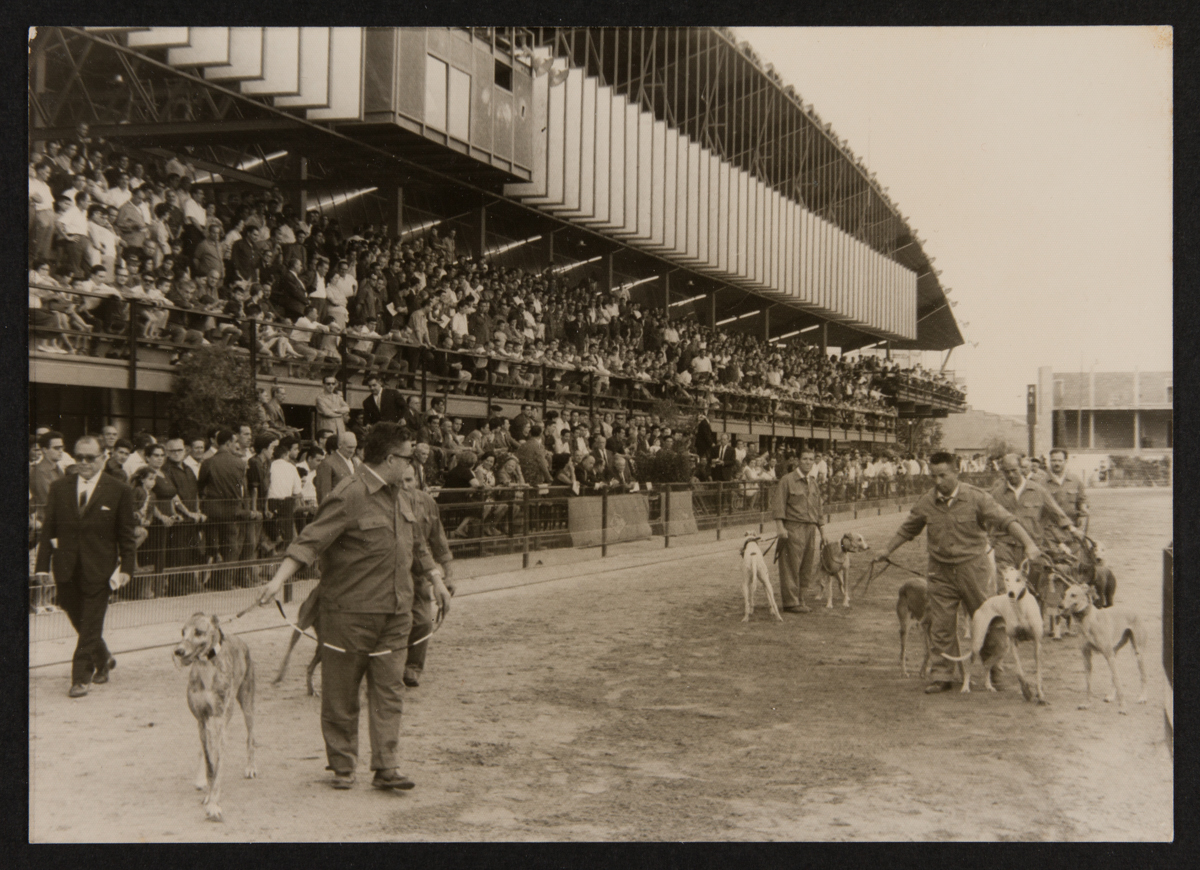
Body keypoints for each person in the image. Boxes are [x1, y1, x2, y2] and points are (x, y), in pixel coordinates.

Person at [257, 424, 450, 791]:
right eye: (408, 457)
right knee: (341, 693)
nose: (411, 465)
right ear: (390, 459)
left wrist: (437, 580)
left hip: (396, 612)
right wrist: (278, 580)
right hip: (349, 614)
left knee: (389, 691)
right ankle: (343, 765)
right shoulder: (349, 494)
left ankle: (386, 766)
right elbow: (310, 541)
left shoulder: (402, 495)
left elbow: (417, 545)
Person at [872, 452, 1043, 694]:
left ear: (956, 472)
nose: (938, 481)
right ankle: (942, 675)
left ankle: (994, 671)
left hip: (974, 570)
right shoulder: (927, 501)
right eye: (933, 476)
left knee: (990, 620)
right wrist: (886, 550)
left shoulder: (977, 497)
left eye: (943, 475)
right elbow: (908, 529)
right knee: (940, 624)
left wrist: (1029, 544)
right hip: (940, 571)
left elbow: (1007, 521)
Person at [34, 436, 137, 697]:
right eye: (79, 456)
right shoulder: (60, 487)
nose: (83, 462)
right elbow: (48, 530)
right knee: (76, 616)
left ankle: (81, 677)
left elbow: (126, 534)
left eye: (90, 458)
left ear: (103, 457)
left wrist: (127, 567)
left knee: (91, 621)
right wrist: (42, 567)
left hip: (100, 569)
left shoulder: (118, 490)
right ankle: (103, 657)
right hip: (66, 567)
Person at [990, 453, 1081, 639]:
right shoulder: (997, 494)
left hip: (1031, 548)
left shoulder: (1038, 491)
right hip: (1005, 546)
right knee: (1005, 587)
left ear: (1022, 468)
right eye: (1006, 471)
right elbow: (986, 518)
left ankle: (1032, 626)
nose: (1011, 475)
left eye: (1014, 470)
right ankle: (1010, 628)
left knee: (1033, 588)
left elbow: (1056, 512)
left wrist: (1072, 529)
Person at [398, 461, 455, 688]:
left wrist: (448, 575)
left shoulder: (428, 502)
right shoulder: (388, 504)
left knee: (424, 622)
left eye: (409, 480)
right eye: (400, 481)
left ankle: (412, 667)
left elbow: (438, 541)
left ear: (417, 480)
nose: (404, 486)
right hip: (392, 573)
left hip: (420, 572)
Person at [772, 448, 823, 613]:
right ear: (798, 461)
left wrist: (823, 532)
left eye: (811, 459)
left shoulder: (813, 482)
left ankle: (801, 599)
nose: (808, 462)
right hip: (793, 527)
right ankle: (790, 602)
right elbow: (778, 505)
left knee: (806, 566)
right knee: (790, 566)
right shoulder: (787, 480)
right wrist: (780, 528)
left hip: (810, 528)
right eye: (805, 459)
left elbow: (818, 508)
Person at [1043, 448, 1089, 526]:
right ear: (1049, 461)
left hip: (1072, 523)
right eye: (1053, 460)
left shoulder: (1075, 480)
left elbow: (1082, 500)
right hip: (1050, 526)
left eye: (1060, 461)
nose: (1057, 463)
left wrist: (1083, 508)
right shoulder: (1042, 482)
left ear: (1066, 461)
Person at [314, 431, 358, 504]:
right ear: (340, 445)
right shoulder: (327, 463)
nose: (352, 451)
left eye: (354, 447)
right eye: (349, 447)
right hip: (337, 507)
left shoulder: (354, 462)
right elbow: (324, 494)